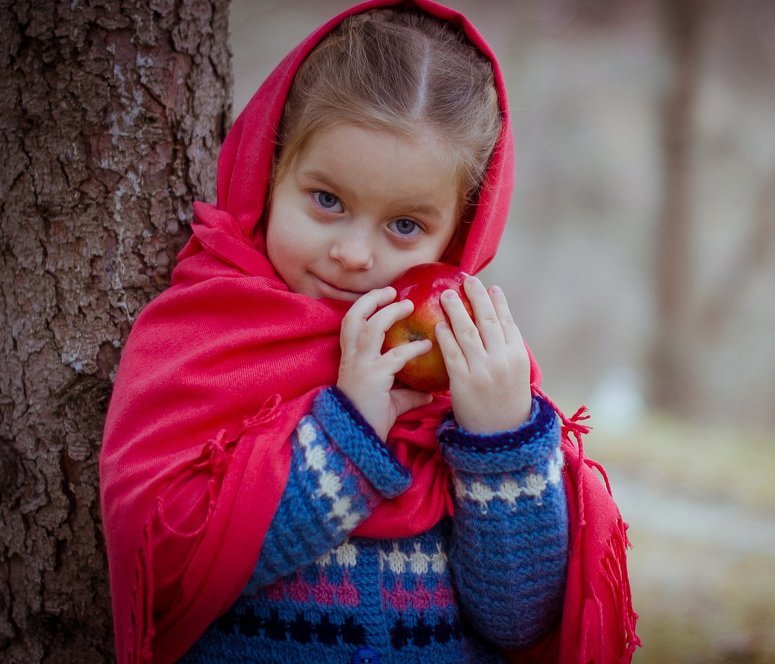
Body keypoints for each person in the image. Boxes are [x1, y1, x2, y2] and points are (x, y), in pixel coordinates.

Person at [100, 1, 639, 662]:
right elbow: (167, 569)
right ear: (268, 173)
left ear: (460, 233)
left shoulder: (470, 368)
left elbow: (518, 622)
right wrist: (345, 433)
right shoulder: (203, 336)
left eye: (405, 226)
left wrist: (500, 442)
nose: (354, 254)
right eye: (327, 201)